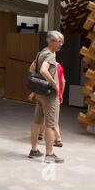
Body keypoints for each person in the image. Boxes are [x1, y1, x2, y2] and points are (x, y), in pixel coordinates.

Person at [28, 31, 64, 164]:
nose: (61, 44)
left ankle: (34, 150)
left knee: (37, 122)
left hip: (39, 93)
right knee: (50, 124)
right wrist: (54, 83)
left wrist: (39, 81)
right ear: (51, 41)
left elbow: (31, 69)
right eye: (60, 41)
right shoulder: (49, 56)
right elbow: (43, 70)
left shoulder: (40, 54)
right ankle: (49, 154)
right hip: (49, 95)